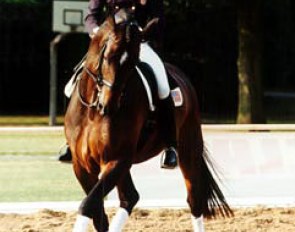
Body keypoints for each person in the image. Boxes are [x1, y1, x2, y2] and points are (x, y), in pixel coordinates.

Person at [58, 0, 178, 169]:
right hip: (109, 42)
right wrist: (98, 32)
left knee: (163, 87)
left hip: (139, 43)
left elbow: (159, 18)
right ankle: (71, 141)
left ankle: (171, 145)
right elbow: (91, 16)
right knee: (71, 86)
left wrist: (145, 32)